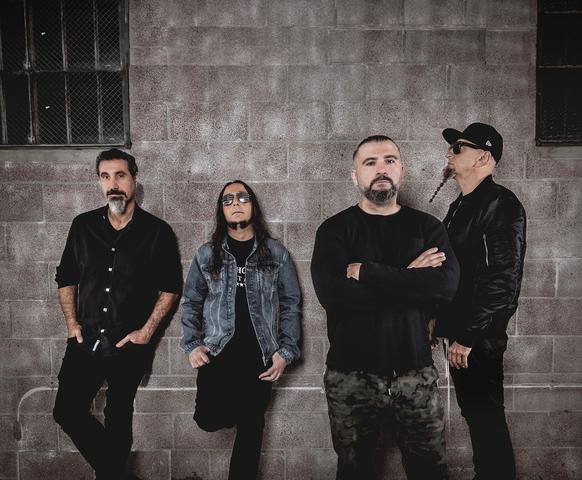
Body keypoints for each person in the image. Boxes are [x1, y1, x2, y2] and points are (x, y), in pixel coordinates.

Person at [311, 135, 460, 480]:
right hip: (351, 376)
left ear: (401, 171)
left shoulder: (428, 228)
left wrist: (368, 273)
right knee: (354, 471)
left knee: (430, 472)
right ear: (355, 176)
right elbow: (335, 295)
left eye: (390, 160)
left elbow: (445, 287)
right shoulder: (334, 231)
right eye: (370, 162)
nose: (381, 169)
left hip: (415, 372)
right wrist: (411, 276)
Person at [52, 149, 182, 480]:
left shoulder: (157, 232)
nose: (113, 184)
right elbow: (66, 278)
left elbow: (170, 288)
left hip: (128, 344)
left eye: (120, 175)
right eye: (105, 176)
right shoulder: (82, 226)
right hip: (84, 340)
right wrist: (72, 323)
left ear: (135, 180)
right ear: (99, 182)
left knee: (118, 417)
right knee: (66, 411)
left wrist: (146, 332)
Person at [181, 180, 301, 480]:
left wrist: (285, 352)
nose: (235, 203)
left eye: (242, 198)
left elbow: (290, 303)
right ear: (221, 211)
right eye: (228, 200)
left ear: (253, 206)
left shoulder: (276, 253)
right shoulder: (206, 255)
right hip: (217, 353)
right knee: (207, 419)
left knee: (252, 427)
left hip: (260, 356)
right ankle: (239, 404)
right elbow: (191, 302)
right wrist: (192, 345)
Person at [433, 123, 526, 480]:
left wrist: (469, 335)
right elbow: (454, 271)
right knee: (477, 418)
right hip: (462, 336)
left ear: (483, 157)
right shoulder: (461, 205)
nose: (450, 153)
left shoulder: (501, 204)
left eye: (458, 147)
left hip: (477, 340)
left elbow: (502, 281)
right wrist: (437, 319)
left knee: (486, 421)